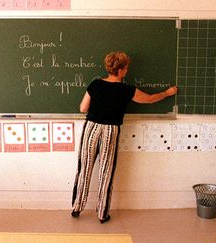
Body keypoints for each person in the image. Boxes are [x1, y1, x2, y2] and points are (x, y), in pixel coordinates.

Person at [71, 51, 177, 223]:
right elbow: (149, 99)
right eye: (126, 68)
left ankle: (77, 207)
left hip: (91, 128)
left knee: (84, 168)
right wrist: (167, 93)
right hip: (110, 130)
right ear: (120, 70)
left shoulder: (95, 84)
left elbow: (83, 108)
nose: (127, 71)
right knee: (106, 172)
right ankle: (102, 213)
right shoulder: (127, 90)